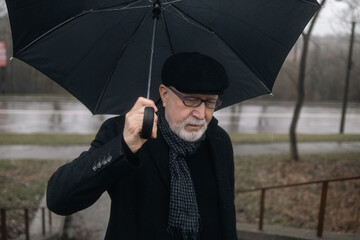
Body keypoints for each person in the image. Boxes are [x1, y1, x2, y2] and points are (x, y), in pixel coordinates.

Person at [47, 52, 238, 240]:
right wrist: (124, 146)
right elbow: (59, 199)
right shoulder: (125, 131)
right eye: (192, 100)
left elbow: (227, 218)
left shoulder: (219, 140)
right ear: (164, 94)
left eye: (211, 102)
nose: (201, 113)